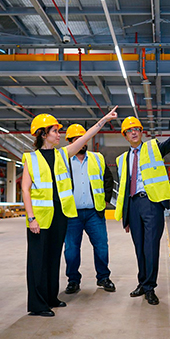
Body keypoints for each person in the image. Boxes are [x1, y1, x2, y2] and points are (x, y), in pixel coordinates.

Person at [22, 108, 117, 317]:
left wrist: (104, 120)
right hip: (40, 218)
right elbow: (25, 190)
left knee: (54, 258)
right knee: (38, 261)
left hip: (60, 216)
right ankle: (38, 304)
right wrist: (31, 219)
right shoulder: (31, 159)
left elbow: (87, 135)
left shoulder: (62, 155)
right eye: (55, 131)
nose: (59, 134)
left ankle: (51, 297)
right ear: (43, 134)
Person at [115, 116, 170, 305]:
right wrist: (126, 216)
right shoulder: (122, 159)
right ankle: (142, 283)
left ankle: (150, 288)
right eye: (130, 130)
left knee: (151, 247)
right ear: (125, 136)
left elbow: (169, 144)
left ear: (141, 132)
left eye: (137, 129)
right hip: (133, 206)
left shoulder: (153, 148)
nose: (134, 132)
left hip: (151, 203)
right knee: (139, 248)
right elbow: (124, 187)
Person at [63, 124, 115, 295]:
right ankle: (73, 280)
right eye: (76, 139)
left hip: (94, 212)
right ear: (70, 142)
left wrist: (105, 200)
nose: (81, 142)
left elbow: (108, 179)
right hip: (72, 213)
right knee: (71, 249)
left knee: (101, 246)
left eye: (82, 138)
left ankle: (103, 277)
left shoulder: (97, 158)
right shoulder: (62, 161)